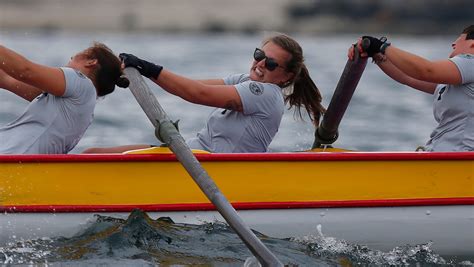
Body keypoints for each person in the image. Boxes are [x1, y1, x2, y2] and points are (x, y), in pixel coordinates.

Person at [84, 33, 325, 153]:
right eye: (259, 56)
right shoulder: (244, 81)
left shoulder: (264, 93)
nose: (260, 65)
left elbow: (197, 93)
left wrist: (146, 67)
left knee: (93, 157)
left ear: (286, 77)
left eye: (271, 64)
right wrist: (141, 70)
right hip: (193, 155)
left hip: (214, 171)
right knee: (92, 153)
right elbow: (189, 85)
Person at [349, 25, 474, 151]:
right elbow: (408, 77)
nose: (453, 43)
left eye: (459, 40)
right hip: (444, 157)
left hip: (457, 160)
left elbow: (426, 70)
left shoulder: (471, 62)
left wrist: (381, 46)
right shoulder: (460, 80)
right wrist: (376, 53)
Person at [0, 42, 129, 154]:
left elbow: (25, 71)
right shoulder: (76, 103)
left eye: (74, 57)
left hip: (12, 161)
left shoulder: (81, 82)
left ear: (91, 62)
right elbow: (6, 79)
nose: (71, 58)